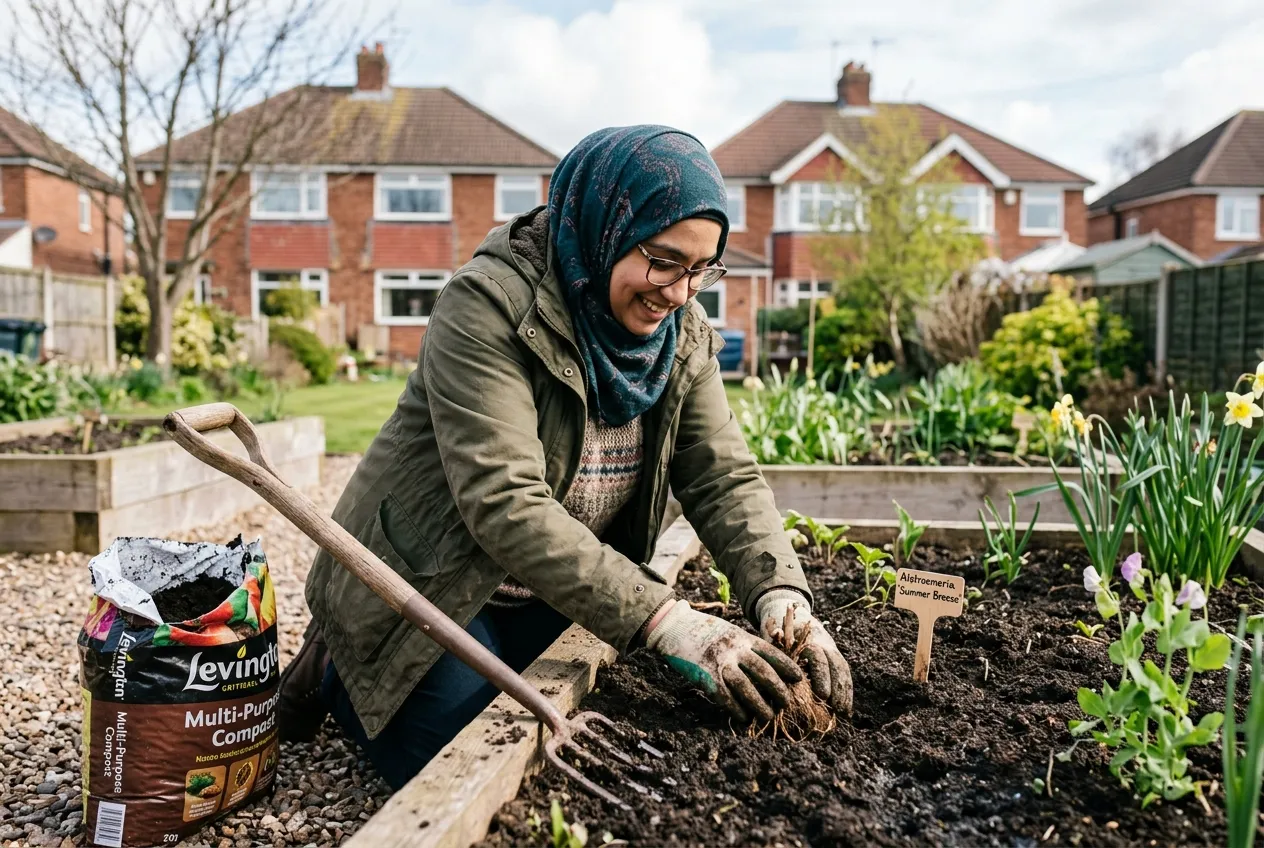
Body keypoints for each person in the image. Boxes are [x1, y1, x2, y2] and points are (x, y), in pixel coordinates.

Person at [278, 125, 852, 790]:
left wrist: (782, 595)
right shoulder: (487, 306)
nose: (678, 292)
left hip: (549, 588)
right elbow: (505, 502)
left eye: (702, 269)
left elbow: (722, 476)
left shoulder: (681, 336)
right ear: (605, 228)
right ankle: (340, 660)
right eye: (664, 261)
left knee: (599, 700)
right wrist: (665, 619)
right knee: (461, 759)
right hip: (430, 585)